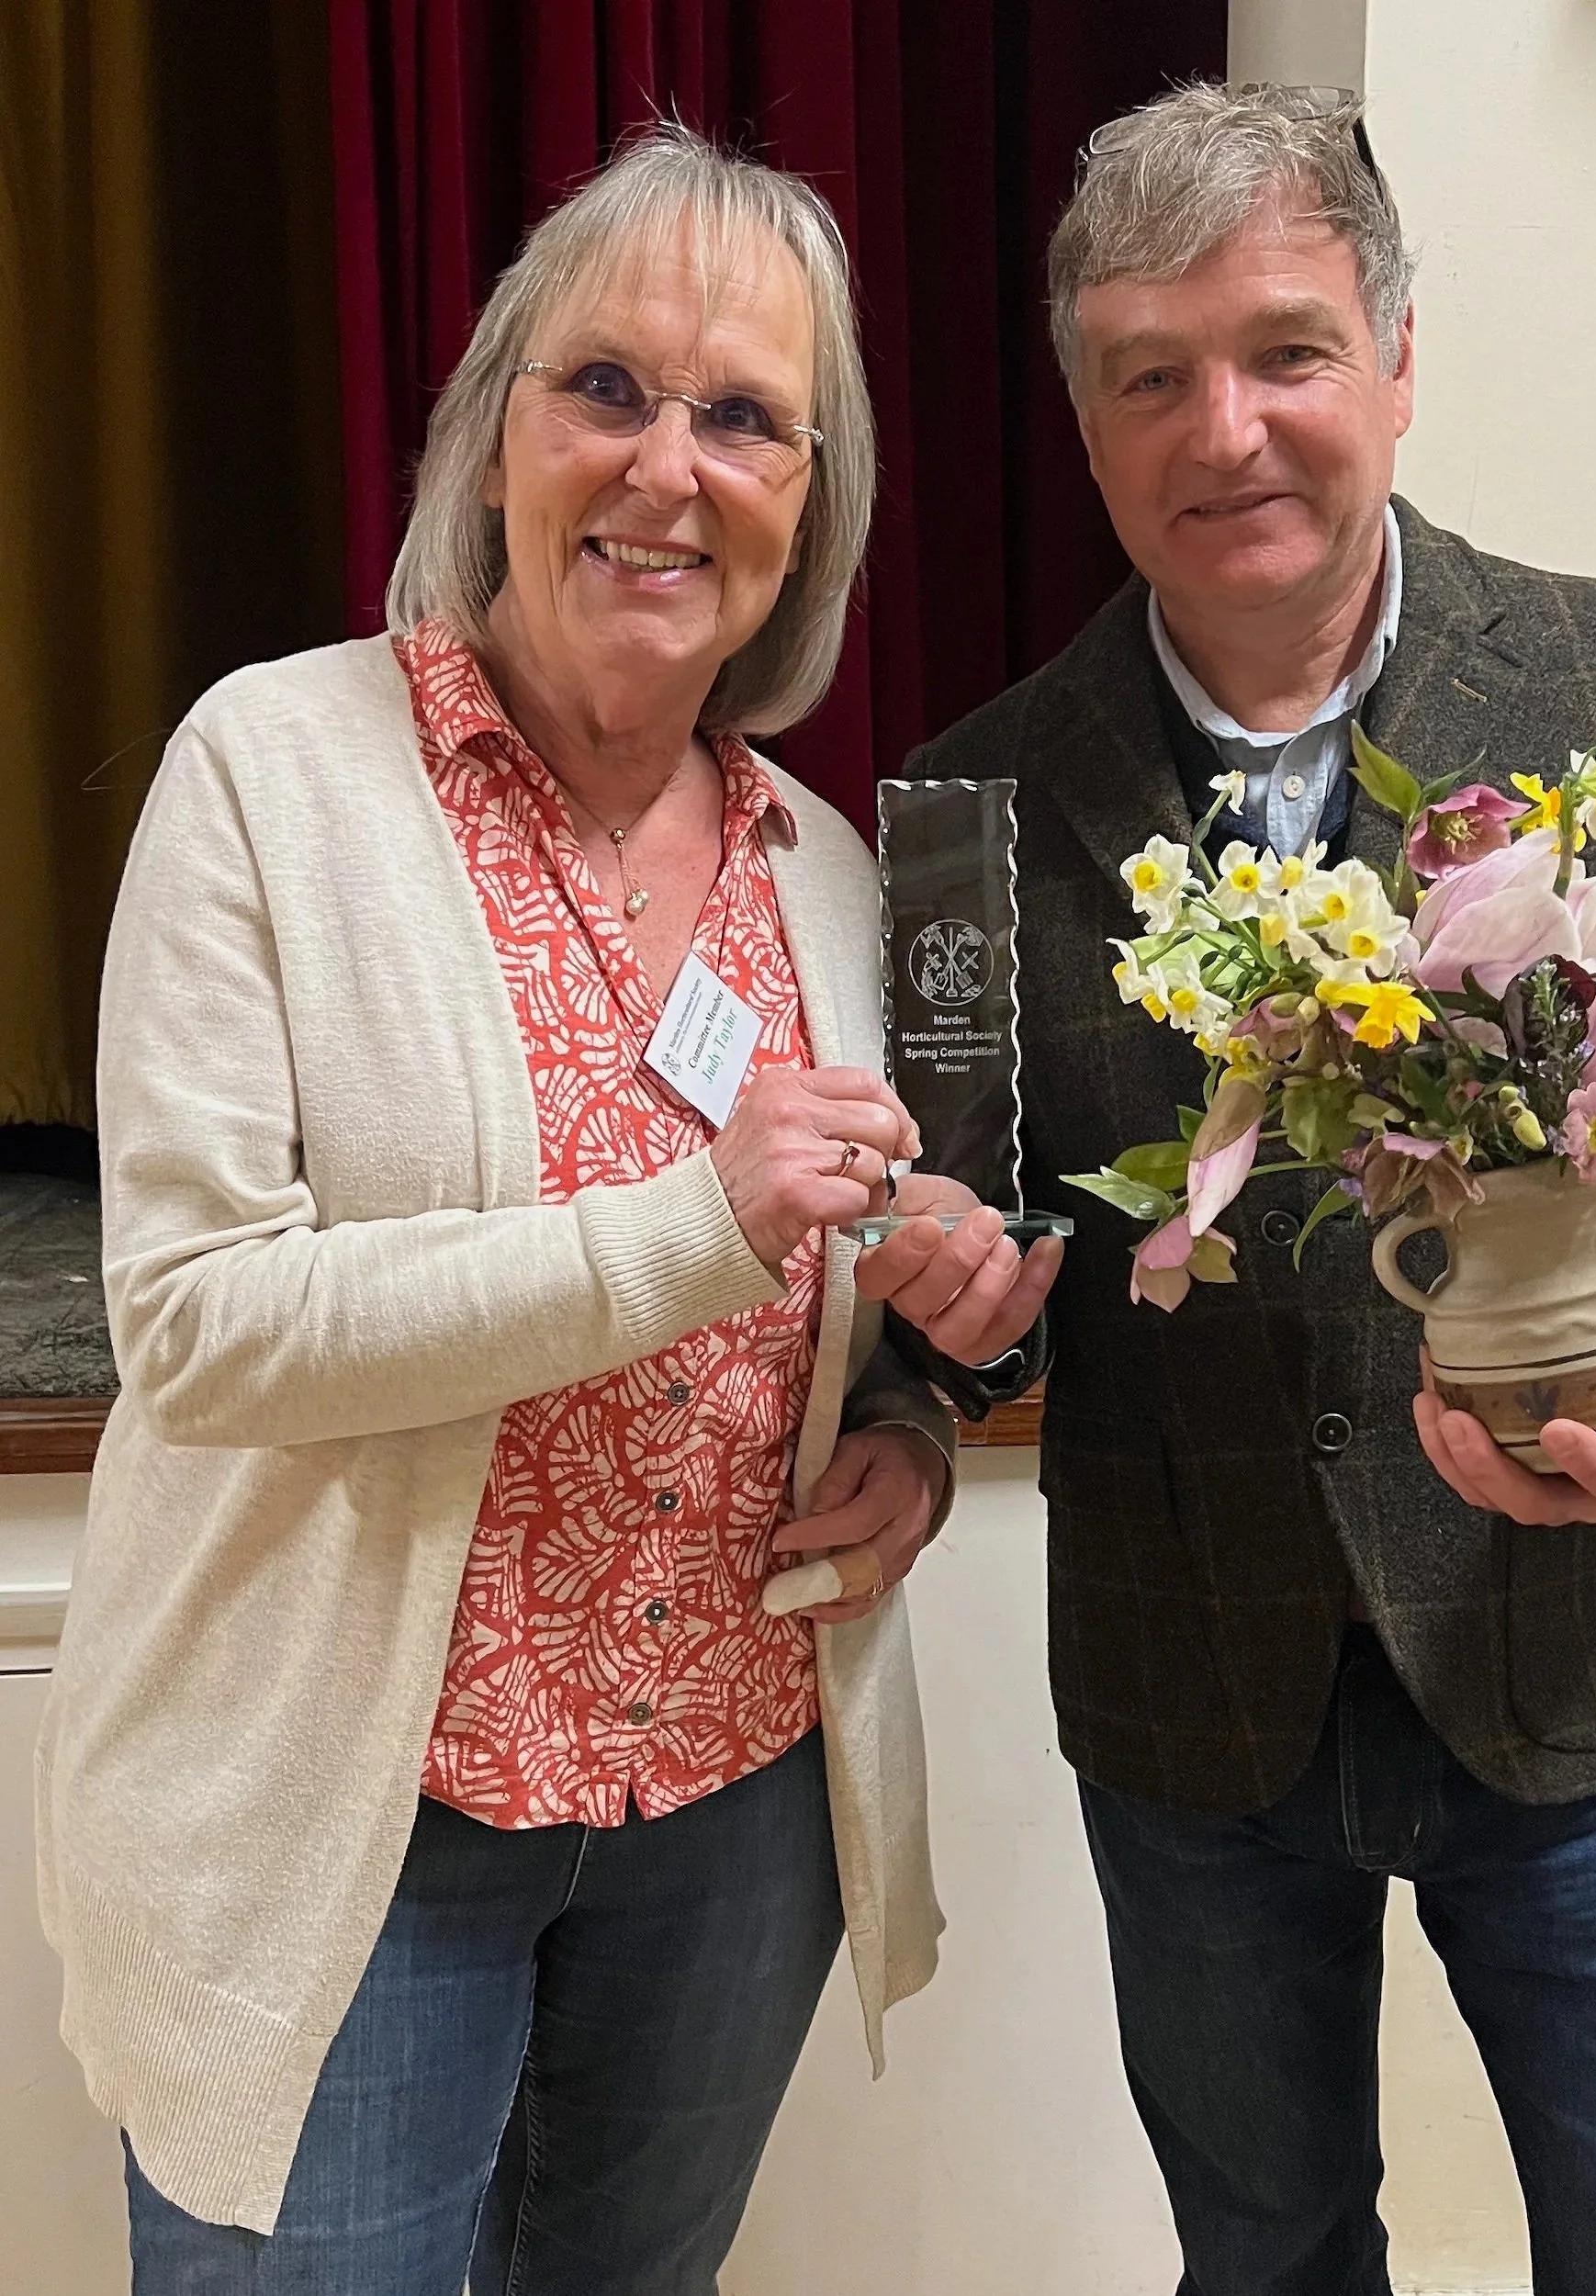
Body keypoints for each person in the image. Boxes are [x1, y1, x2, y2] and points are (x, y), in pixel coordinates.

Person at [37, 126, 1040, 2293]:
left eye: (744, 416)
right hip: (356, 1826)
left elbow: (827, 1317)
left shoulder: (827, 877)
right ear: (496, 434)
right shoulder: (269, 771)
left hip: (731, 1811)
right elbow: (197, 1322)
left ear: (810, 508)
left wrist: (918, 1414)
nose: (667, 465)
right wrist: (690, 1217)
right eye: (605, 386)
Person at [894, 83, 1596, 2296]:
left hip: (1578, 1641)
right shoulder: (972, 800)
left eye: (1284, 350)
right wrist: (940, 1327)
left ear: (1395, 360)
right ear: (1082, 416)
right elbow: (986, 1256)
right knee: (1265, 2258)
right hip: (1187, 1695)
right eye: (1150, 375)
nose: (1222, 427)